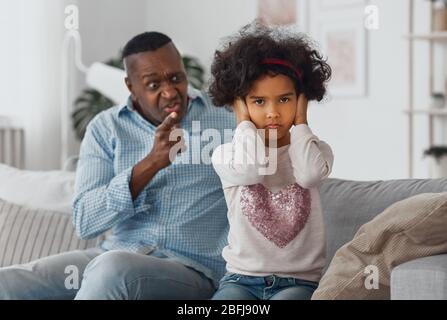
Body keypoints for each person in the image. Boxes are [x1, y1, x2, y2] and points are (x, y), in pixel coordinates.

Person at [0, 31, 235, 300]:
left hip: (191, 270)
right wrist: (150, 165)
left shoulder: (225, 119)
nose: (170, 92)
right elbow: (86, 222)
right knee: (8, 283)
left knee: (112, 270)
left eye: (175, 78)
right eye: (153, 84)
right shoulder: (106, 128)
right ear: (130, 86)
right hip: (114, 255)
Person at [209, 23, 334, 300]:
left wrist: (301, 123)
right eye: (258, 101)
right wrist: (243, 123)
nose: (273, 112)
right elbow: (250, 170)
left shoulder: (317, 150)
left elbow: (310, 176)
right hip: (240, 281)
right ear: (240, 103)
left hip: (300, 284)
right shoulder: (225, 155)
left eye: (285, 99)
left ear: (302, 99)